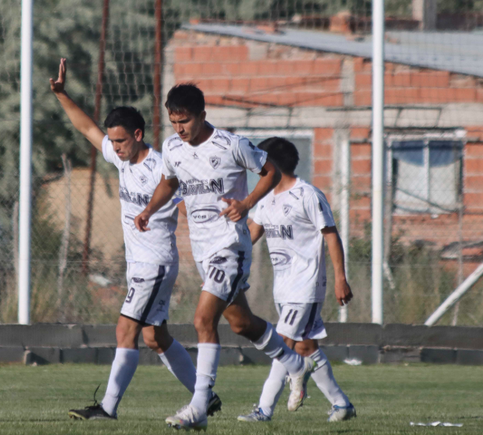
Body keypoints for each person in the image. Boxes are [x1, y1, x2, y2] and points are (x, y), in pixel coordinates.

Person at [134, 84, 316, 431]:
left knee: (203, 319)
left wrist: (245, 204)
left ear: (203, 115)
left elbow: (271, 173)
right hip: (202, 249)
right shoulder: (173, 148)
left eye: (185, 121)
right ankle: (295, 364)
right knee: (241, 323)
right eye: (174, 122)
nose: (179, 129)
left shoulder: (231, 145)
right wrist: (148, 210)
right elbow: (169, 182)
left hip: (230, 246)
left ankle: (199, 406)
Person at [49, 59, 221, 420]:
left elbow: (190, 184)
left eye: (121, 140)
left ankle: (107, 408)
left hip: (154, 263)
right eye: (112, 141)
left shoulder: (160, 166)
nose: (115, 147)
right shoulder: (122, 158)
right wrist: (62, 95)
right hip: (142, 264)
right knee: (154, 338)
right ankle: (205, 396)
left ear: (138, 135)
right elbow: (87, 129)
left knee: (124, 329)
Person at [237, 137, 356, 423]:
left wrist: (341, 278)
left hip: (306, 285)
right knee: (305, 348)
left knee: (284, 344)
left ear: (272, 164)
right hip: (284, 288)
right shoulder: (265, 199)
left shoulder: (308, 195)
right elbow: (251, 234)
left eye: (261, 162)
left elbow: (331, 235)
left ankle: (264, 410)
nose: (257, 168)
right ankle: (342, 405)